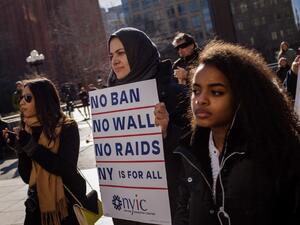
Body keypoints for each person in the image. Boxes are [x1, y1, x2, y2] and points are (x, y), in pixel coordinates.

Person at [174, 40, 300, 225]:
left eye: (216, 92)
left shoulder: (279, 151)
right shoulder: (190, 151)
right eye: (195, 90)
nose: (200, 100)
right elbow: (183, 211)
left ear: (243, 95)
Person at [107, 27, 188, 225]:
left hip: (170, 210)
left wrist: (168, 131)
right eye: (111, 55)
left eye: (121, 53)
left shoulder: (177, 95)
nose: (114, 61)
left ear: (139, 52)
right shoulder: (109, 99)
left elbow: (196, 150)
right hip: (128, 211)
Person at [3, 77, 86, 225]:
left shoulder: (67, 127)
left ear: (43, 99)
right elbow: (28, 178)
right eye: (21, 97)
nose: (21, 102)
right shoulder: (28, 128)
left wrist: (31, 147)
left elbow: (65, 168)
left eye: (28, 98)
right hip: (37, 210)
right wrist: (20, 149)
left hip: (66, 207)